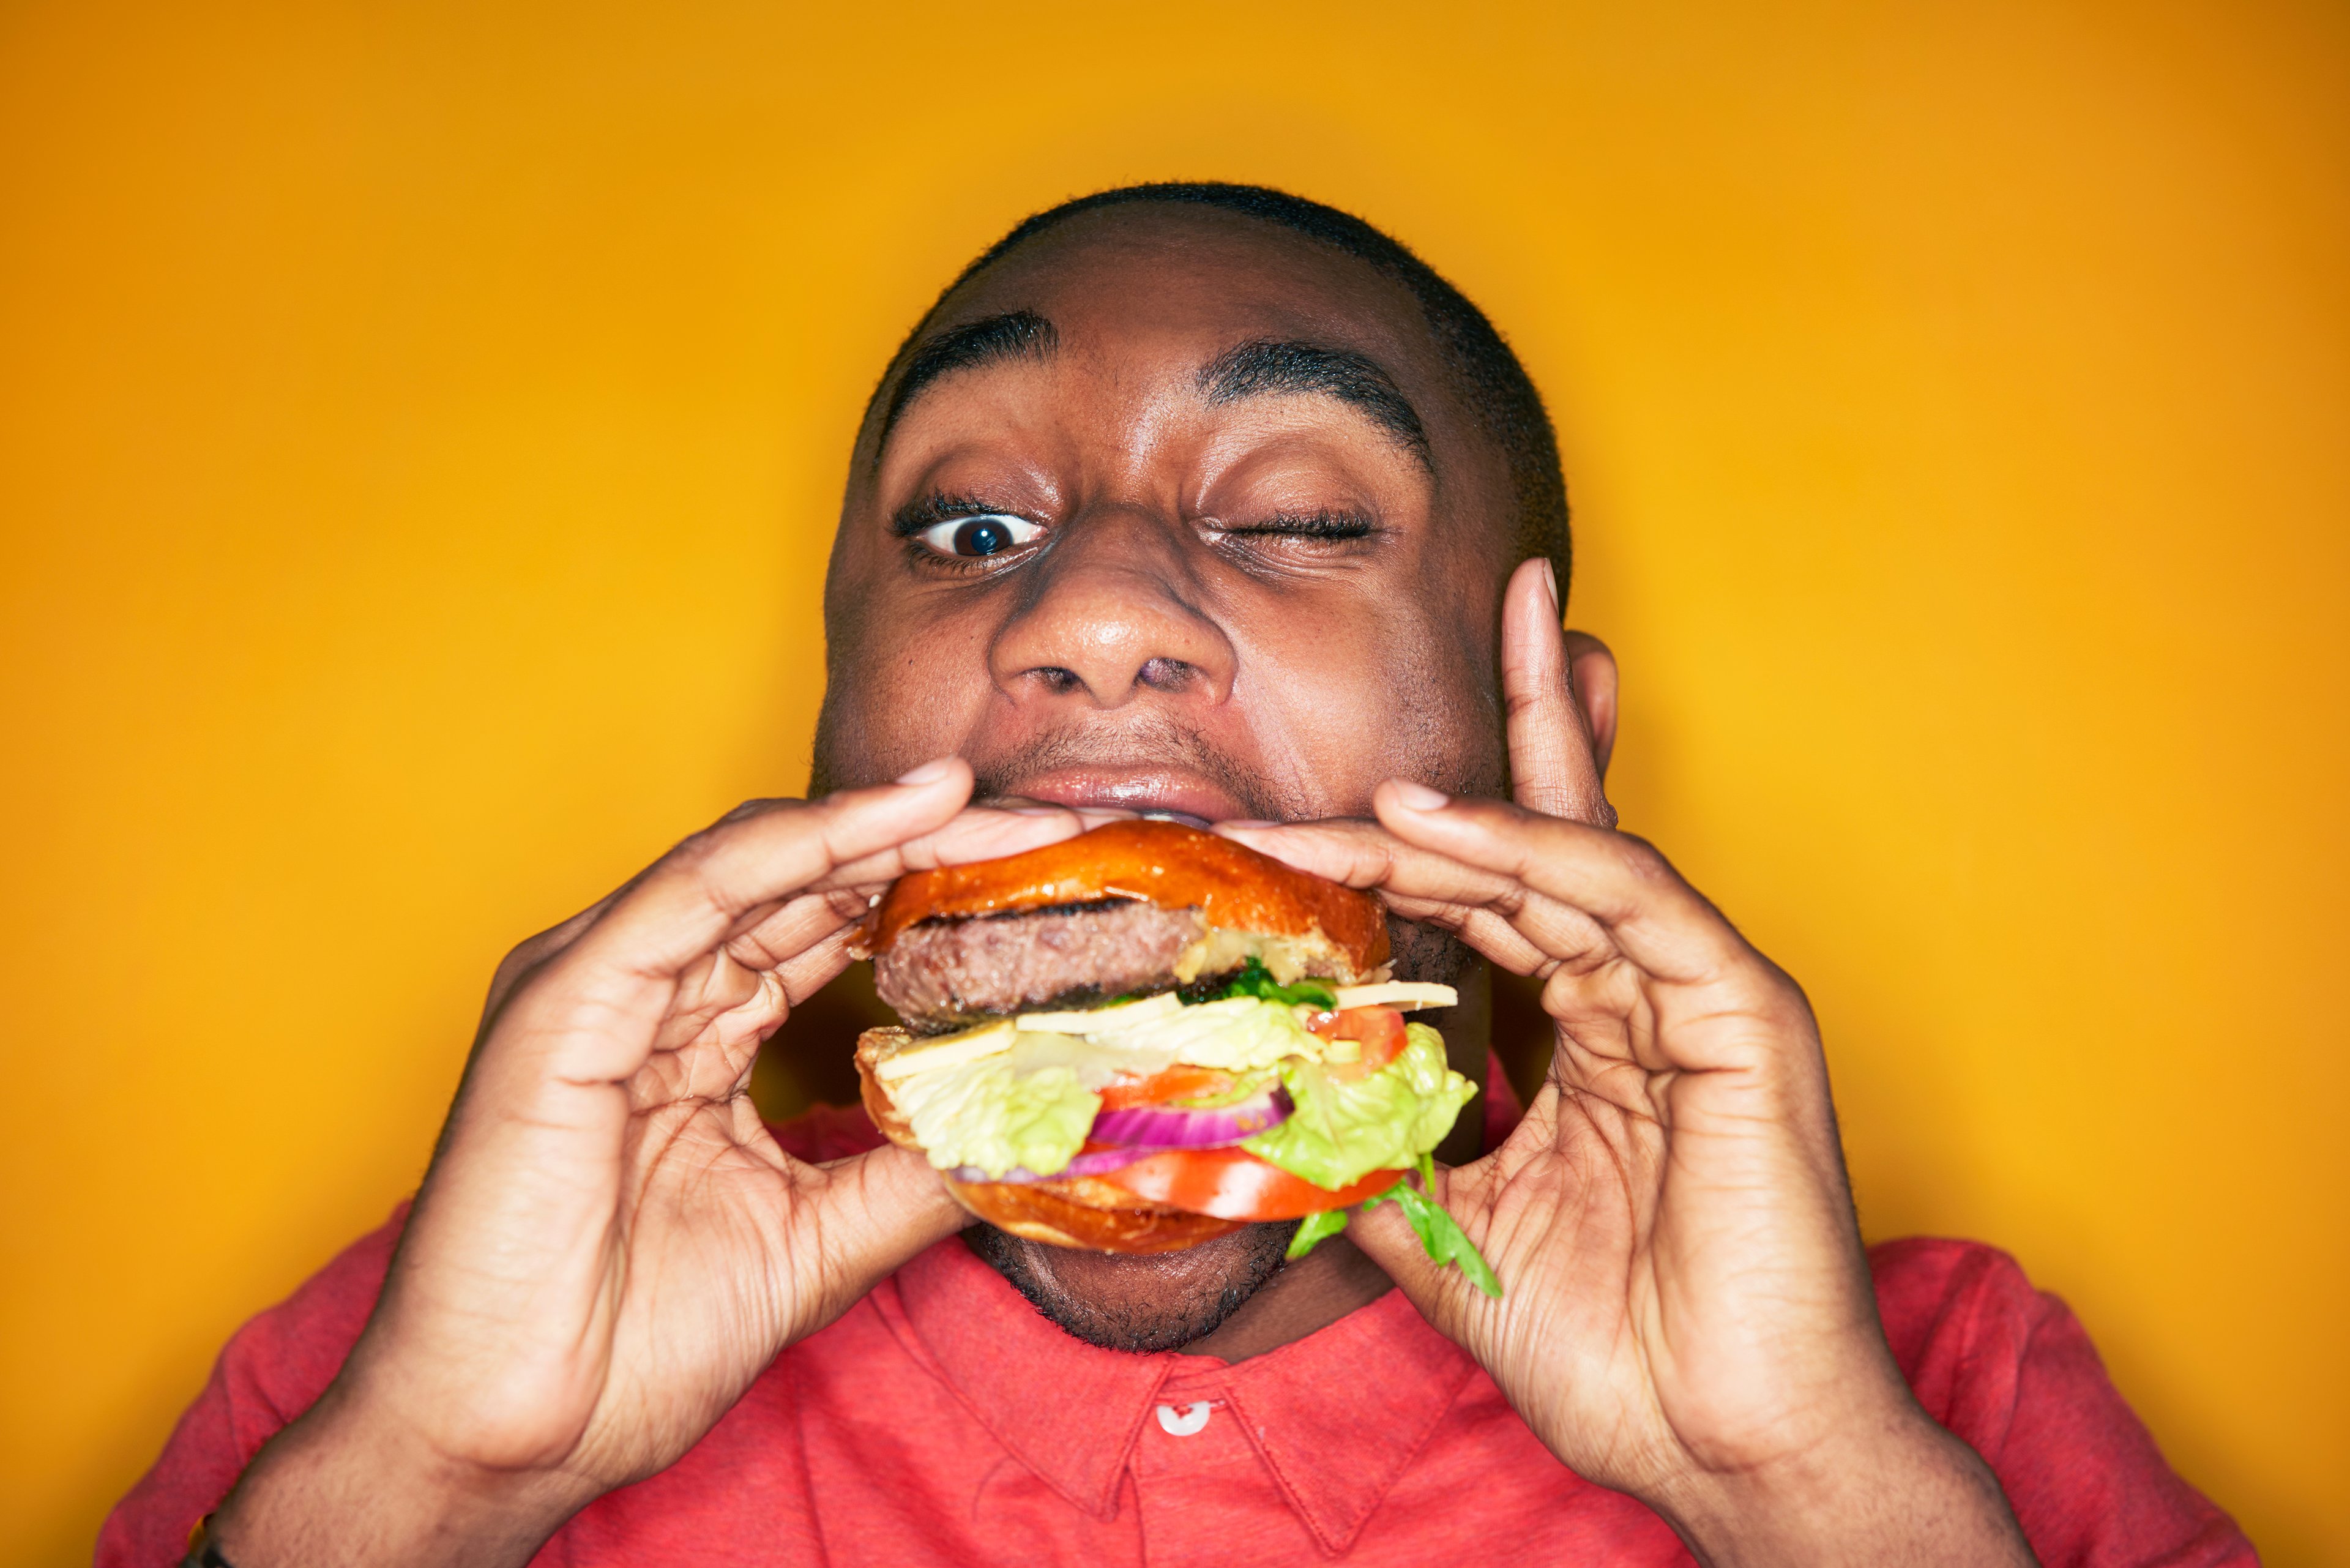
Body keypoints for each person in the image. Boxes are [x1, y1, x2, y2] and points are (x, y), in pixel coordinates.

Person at [102, 184, 2256, 1567]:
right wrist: (437, 1490)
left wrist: (1803, 1496)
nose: (1094, 612)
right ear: (843, 743)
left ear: (1553, 746)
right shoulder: (421, 1370)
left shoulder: (1941, 1404)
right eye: (968, 534)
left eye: (1303, 518)